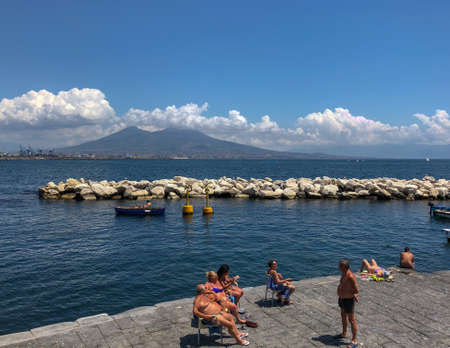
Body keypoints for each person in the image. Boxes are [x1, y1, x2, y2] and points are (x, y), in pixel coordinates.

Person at [337, 259, 359, 348]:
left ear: (344, 267)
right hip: (342, 299)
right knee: (343, 316)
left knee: (351, 320)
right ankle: (344, 333)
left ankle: (354, 341)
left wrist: (354, 294)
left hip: (348, 300)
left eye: (339, 266)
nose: (338, 267)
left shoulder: (350, 276)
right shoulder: (343, 273)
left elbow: (356, 289)